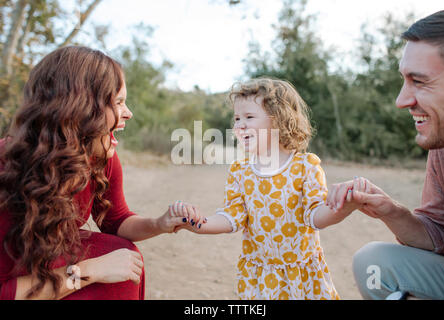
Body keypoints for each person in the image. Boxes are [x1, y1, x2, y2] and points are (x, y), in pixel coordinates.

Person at [0, 46, 185, 300]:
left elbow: (116, 220)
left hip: (46, 266)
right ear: (79, 109)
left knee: (122, 256)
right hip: (16, 280)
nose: (128, 113)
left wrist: (160, 224)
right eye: (118, 102)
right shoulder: (8, 170)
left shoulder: (99, 155)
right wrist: (87, 272)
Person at [169, 78, 360, 300]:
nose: (239, 125)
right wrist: (198, 224)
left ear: (279, 119)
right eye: (237, 118)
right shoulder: (240, 170)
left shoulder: (306, 166)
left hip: (301, 277)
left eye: (249, 117)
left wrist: (344, 208)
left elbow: (315, 216)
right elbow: (233, 216)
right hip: (259, 278)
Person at [326, 9, 444, 300]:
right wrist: (392, 212)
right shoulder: (443, 143)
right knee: (374, 263)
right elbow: (439, 236)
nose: (401, 100)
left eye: (419, 81)